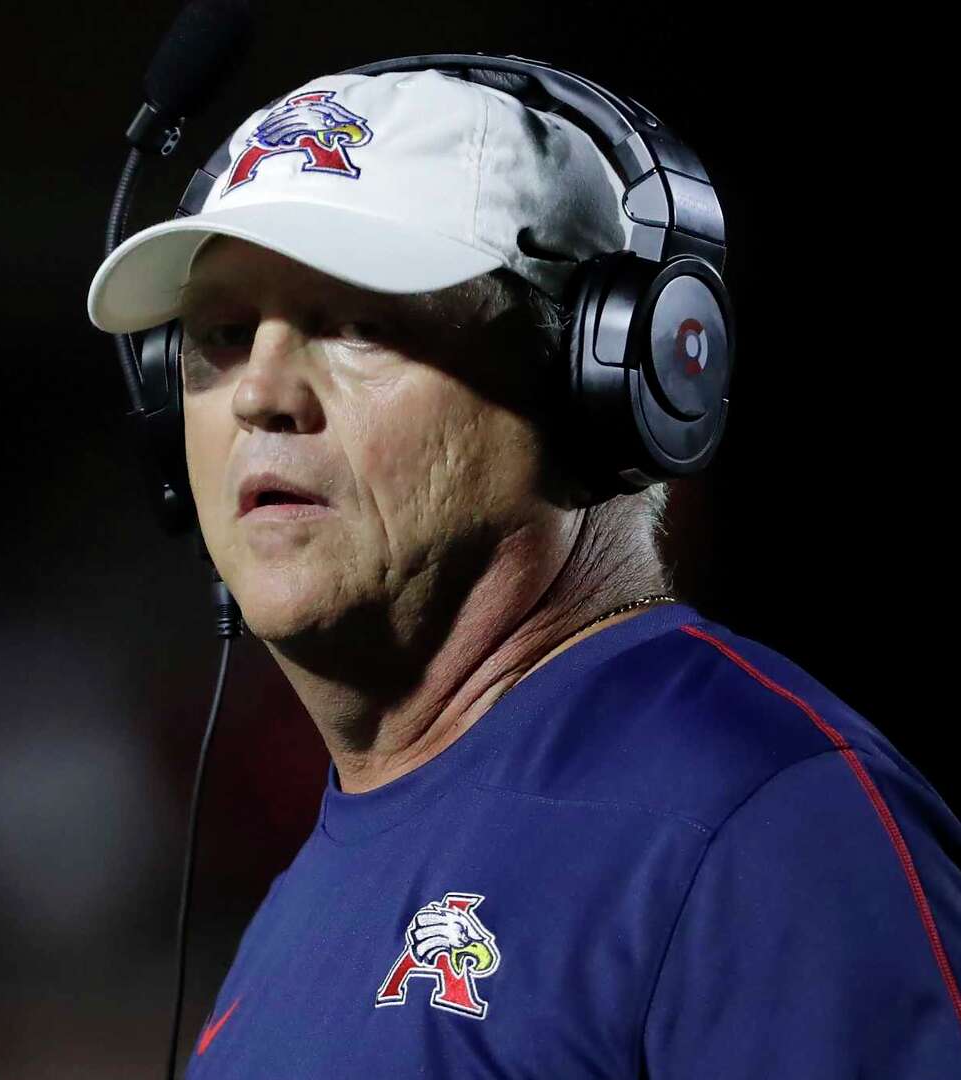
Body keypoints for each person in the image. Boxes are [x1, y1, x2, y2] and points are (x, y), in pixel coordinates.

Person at [88, 67, 961, 1077]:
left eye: (357, 323)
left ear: (595, 380)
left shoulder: (758, 823)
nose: (263, 395)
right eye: (222, 337)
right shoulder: (314, 892)